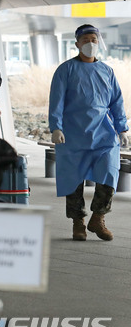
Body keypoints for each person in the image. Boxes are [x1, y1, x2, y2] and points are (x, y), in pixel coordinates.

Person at [49, 24, 129, 242]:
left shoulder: (107, 71)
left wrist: (122, 128)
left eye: (94, 40)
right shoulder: (65, 70)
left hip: (103, 134)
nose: (90, 44)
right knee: (73, 181)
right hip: (73, 135)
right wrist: (56, 127)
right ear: (77, 44)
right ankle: (78, 223)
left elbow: (116, 102)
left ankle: (98, 218)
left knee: (110, 173)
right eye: (85, 40)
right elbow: (56, 100)